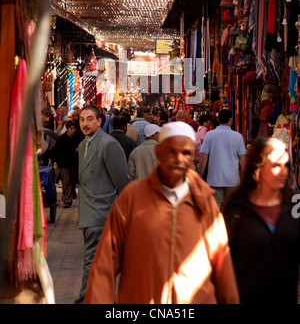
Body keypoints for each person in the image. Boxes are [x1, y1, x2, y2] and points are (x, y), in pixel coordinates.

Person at [84, 121, 240, 304]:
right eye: (171, 151)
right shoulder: (132, 198)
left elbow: (223, 269)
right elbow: (105, 266)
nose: (178, 159)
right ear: (158, 153)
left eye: (186, 153)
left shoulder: (205, 203)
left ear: (192, 159)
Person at [222, 136, 300, 304]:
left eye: (286, 165)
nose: (284, 172)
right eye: (276, 165)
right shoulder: (236, 207)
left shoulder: (295, 203)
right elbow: (223, 261)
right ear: (258, 167)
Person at [74, 106, 130, 304]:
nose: (85, 124)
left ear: (100, 121)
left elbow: (122, 182)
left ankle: (84, 300)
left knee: (92, 262)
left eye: (90, 119)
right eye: (82, 120)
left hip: (102, 214)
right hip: (89, 216)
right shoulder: (83, 145)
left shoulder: (108, 145)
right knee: (100, 263)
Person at [198, 109, 247, 207]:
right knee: (231, 210)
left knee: (215, 211)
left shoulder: (209, 135)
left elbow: (203, 157)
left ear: (218, 119)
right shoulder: (238, 137)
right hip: (233, 180)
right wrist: (244, 178)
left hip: (214, 179)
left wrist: (200, 176)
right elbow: (242, 160)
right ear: (230, 120)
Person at [51, 120, 79, 207]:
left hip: (73, 164)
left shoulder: (76, 138)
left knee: (73, 182)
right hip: (63, 164)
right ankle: (67, 200)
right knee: (66, 182)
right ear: (67, 129)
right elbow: (55, 151)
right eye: (71, 129)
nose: (73, 130)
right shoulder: (62, 139)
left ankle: (70, 196)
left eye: (74, 128)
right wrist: (55, 163)